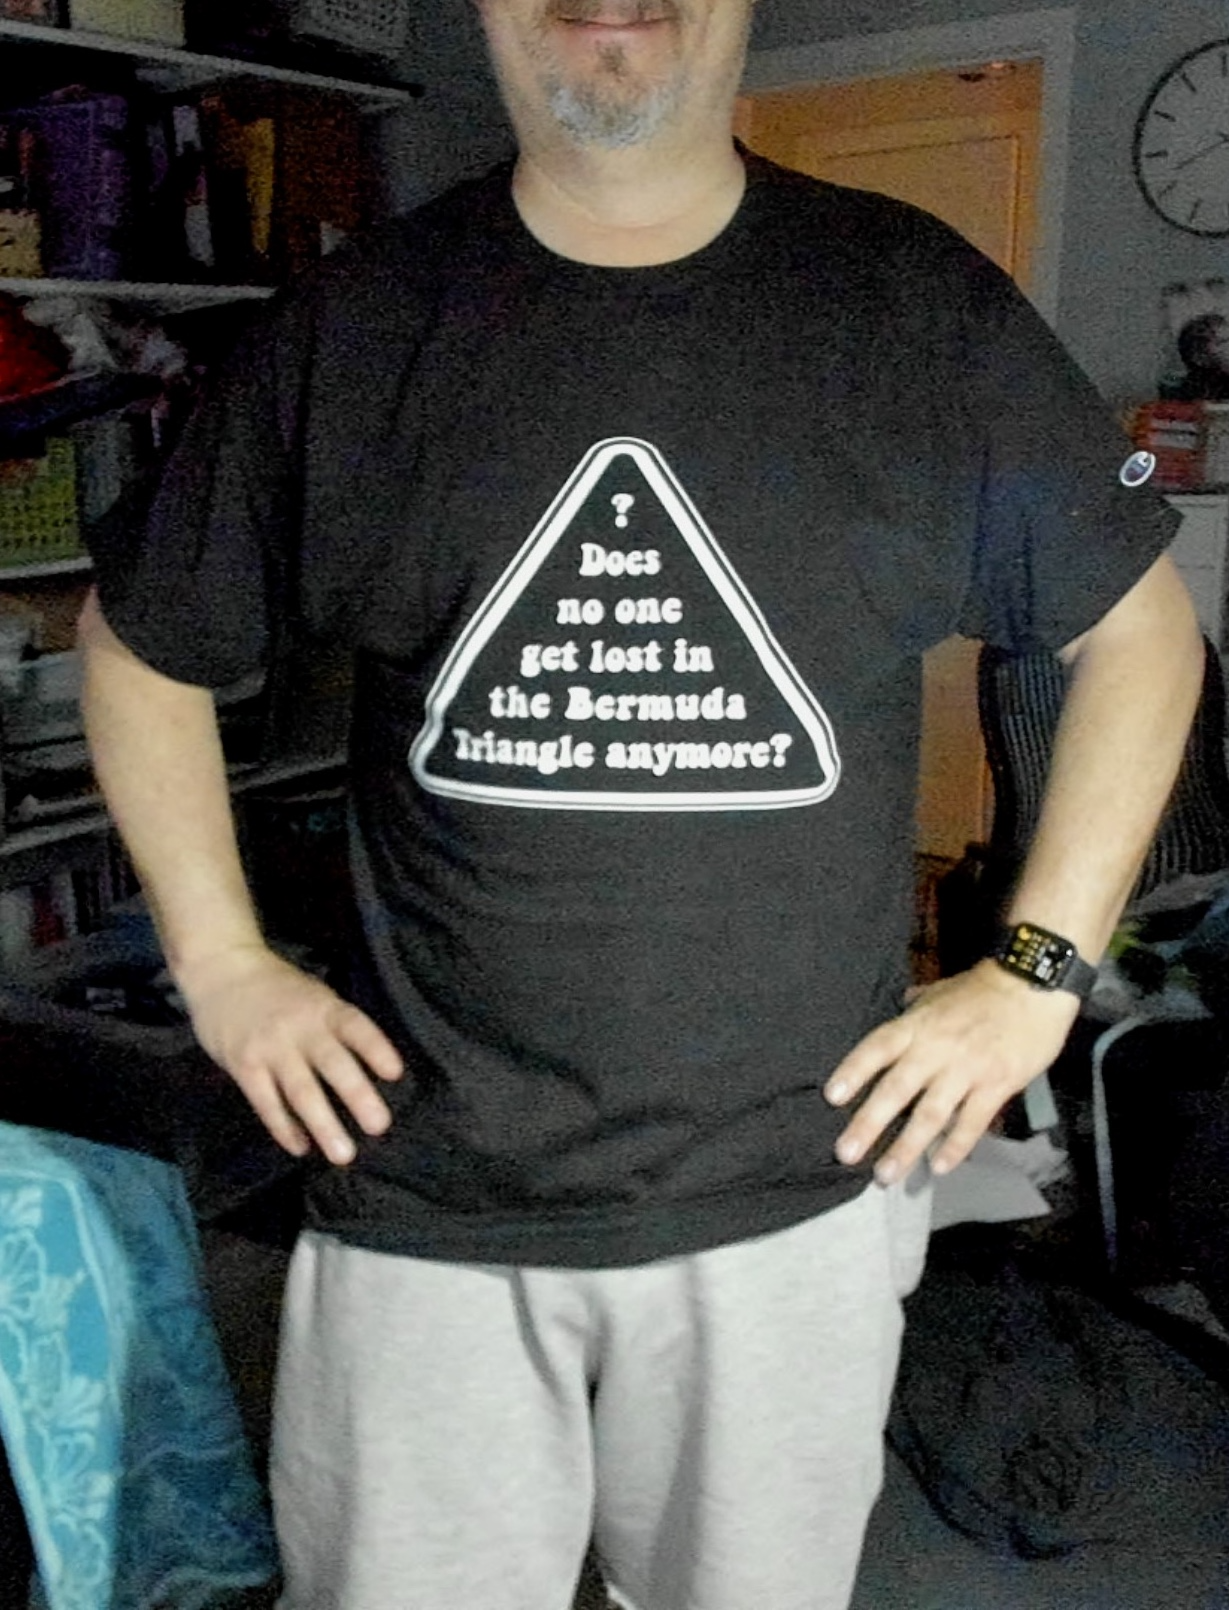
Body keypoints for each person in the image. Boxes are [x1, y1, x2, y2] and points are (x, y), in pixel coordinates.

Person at [78, 2, 1204, 1607]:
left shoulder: (915, 305)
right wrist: (220, 960)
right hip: (424, 1202)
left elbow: (1141, 634)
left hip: (792, 1202)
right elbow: (137, 645)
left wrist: (1034, 977)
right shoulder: (357, 325)